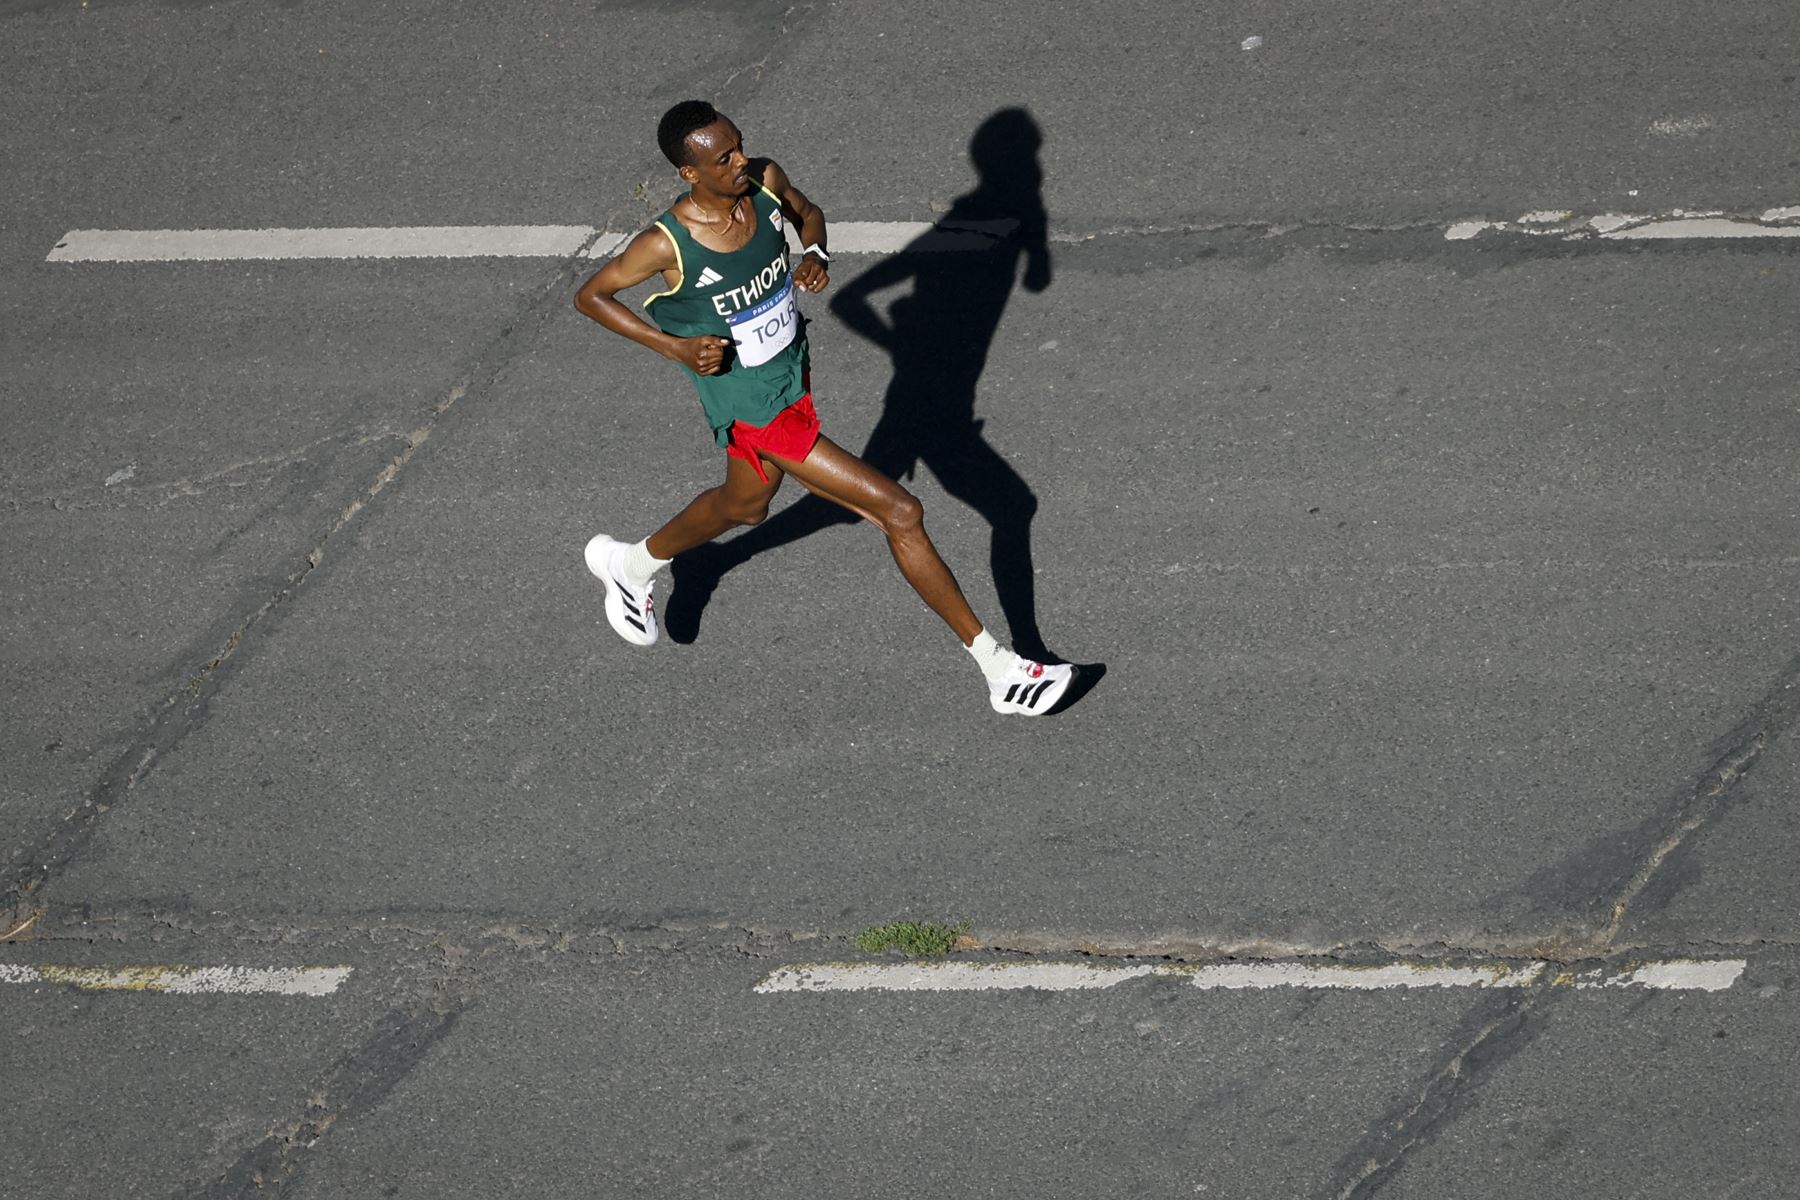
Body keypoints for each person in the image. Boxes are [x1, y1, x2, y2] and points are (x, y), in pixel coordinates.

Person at [573, 100, 1071, 716]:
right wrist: (674, 345)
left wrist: (817, 256)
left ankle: (632, 563)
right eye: (722, 158)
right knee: (901, 512)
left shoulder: (764, 181)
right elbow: (591, 296)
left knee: (746, 504)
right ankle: (1002, 670)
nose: (739, 162)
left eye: (738, 146)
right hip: (752, 403)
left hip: (791, 375)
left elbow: (813, 216)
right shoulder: (665, 244)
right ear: (689, 174)